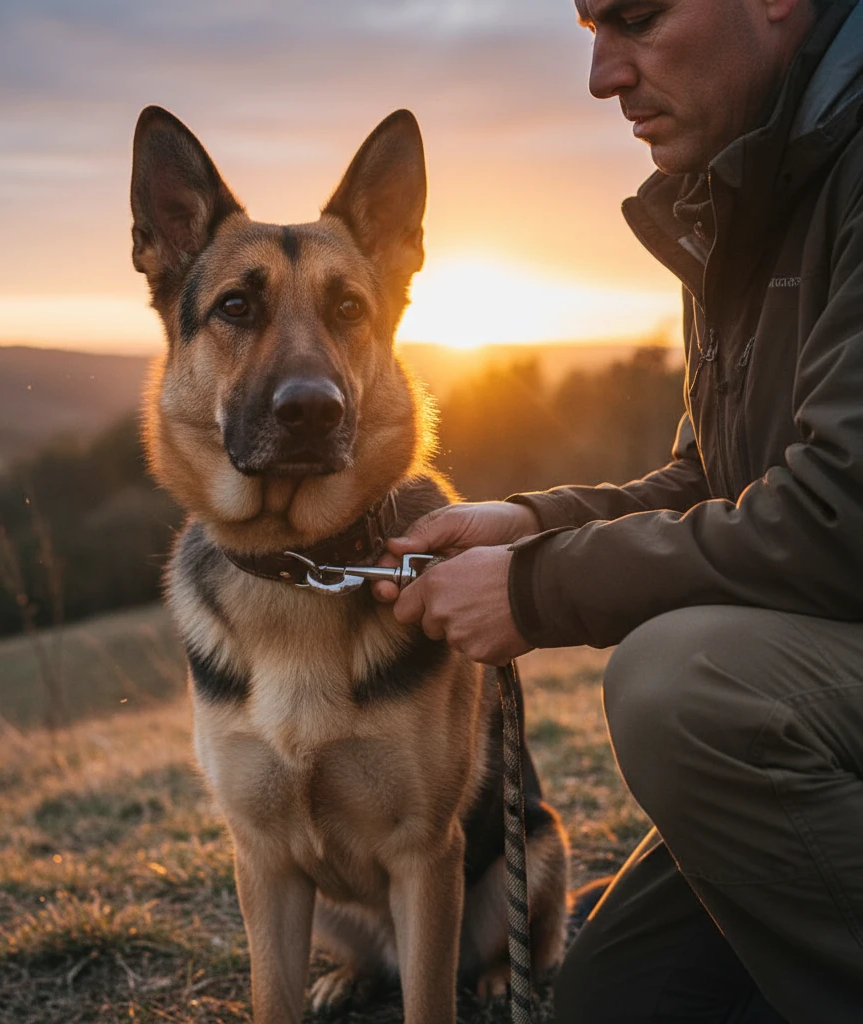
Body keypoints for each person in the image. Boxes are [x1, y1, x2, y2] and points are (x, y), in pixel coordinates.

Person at [373, 0, 863, 1020]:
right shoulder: (742, 177)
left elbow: (837, 515)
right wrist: (528, 525)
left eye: (636, 18)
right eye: (590, 24)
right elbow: (716, 481)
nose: (601, 76)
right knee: (616, 1001)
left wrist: (537, 591)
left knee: (683, 687)